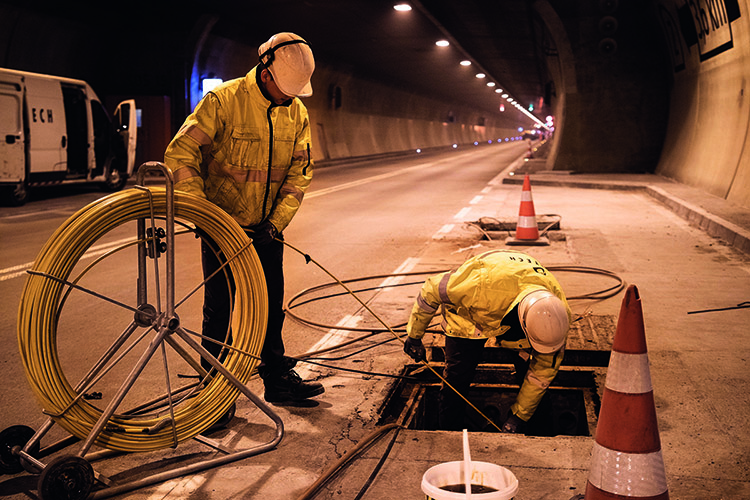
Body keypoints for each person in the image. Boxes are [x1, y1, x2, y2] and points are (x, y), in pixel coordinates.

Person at [164, 32, 323, 404]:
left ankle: (277, 377)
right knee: (219, 311)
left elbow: (300, 173)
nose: (291, 96)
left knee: (269, 304)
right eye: (287, 88)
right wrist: (203, 213)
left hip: (266, 230)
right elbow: (181, 153)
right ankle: (214, 392)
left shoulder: (296, 111)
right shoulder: (223, 101)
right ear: (265, 72)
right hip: (222, 228)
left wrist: (275, 223)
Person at [402, 249, 572, 432]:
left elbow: (542, 373)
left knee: (530, 378)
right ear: (522, 323)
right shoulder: (478, 285)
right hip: (467, 319)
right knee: (457, 378)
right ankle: (448, 432)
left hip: (509, 305)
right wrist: (414, 336)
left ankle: (540, 433)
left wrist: (518, 417)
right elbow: (431, 290)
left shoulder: (556, 316)